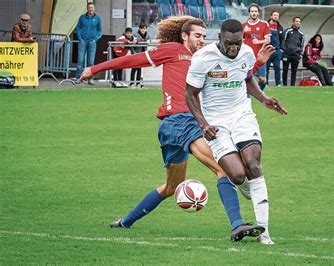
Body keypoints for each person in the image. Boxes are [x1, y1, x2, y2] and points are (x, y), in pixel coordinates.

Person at [80, 16, 273, 241]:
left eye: (204, 36)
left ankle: (125, 222)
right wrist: (94, 69)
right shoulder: (171, 50)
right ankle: (237, 225)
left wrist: (257, 63)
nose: (202, 40)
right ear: (184, 36)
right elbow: (132, 60)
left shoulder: (208, 58)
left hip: (176, 127)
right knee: (224, 170)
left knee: (171, 187)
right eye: (197, 36)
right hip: (180, 121)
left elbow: (235, 76)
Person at [185, 19, 287, 245]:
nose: (234, 48)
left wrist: (263, 99)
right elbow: (190, 95)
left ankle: (265, 233)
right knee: (238, 175)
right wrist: (203, 124)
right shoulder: (203, 58)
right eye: (230, 43)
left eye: (238, 43)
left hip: (242, 114)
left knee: (253, 165)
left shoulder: (247, 52)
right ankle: (248, 187)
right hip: (215, 123)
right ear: (220, 38)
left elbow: (247, 77)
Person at [243, 4, 271, 90]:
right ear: (249, 13)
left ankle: (260, 92)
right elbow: (242, 40)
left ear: (258, 13)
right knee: (245, 78)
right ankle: (245, 95)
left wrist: (258, 41)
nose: (254, 13)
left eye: (255, 11)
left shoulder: (264, 24)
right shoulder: (244, 25)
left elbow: (268, 40)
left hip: (260, 56)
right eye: (252, 11)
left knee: (262, 79)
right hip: (247, 57)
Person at [75, 2, 102, 85]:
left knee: (90, 62)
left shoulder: (97, 18)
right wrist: (80, 38)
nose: (91, 9)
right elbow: (78, 28)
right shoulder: (82, 17)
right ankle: (78, 78)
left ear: (94, 9)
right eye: (89, 8)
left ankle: (90, 79)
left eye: (92, 8)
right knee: (80, 61)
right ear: (87, 9)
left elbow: (100, 30)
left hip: (92, 42)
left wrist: (95, 39)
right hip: (83, 41)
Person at [281, 17, 304, 86]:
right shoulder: (287, 31)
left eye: (299, 22)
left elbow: (301, 45)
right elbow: (283, 41)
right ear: (293, 22)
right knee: (285, 70)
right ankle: (284, 85)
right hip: (287, 54)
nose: (297, 23)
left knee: (294, 71)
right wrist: (284, 51)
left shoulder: (301, 34)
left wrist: (300, 54)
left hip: (296, 55)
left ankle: (292, 86)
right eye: (296, 21)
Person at [131, 22, 151, 87]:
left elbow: (149, 40)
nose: (143, 30)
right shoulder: (135, 35)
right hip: (136, 53)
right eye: (141, 28)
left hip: (143, 53)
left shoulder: (147, 35)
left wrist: (149, 41)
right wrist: (135, 41)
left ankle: (138, 82)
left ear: (146, 29)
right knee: (134, 68)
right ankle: (131, 83)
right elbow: (132, 41)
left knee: (140, 68)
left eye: (144, 28)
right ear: (139, 29)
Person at [266, 11, 284, 86]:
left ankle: (278, 84)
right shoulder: (265, 25)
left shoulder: (280, 27)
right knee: (266, 68)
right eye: (274, 15)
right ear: (271, 16)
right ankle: (265, 83)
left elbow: (282, 39)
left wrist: (281, 50)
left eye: (277, 15)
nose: (276, 17)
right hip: (267, 50)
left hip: (276, 51)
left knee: (277, 67)